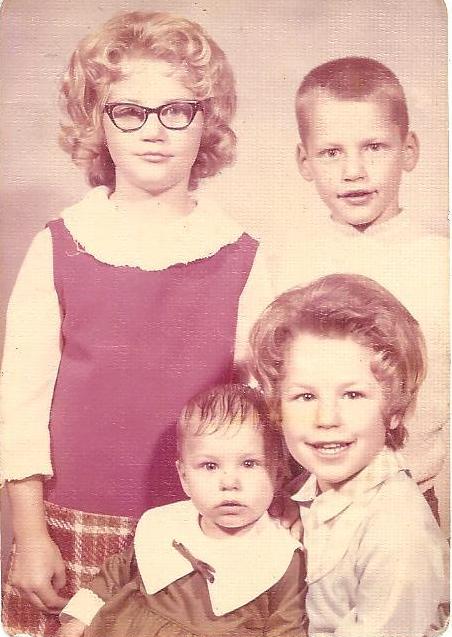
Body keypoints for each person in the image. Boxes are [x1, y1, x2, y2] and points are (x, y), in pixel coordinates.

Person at [0, 11, 272, 637]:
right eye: (129, 111)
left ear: (207, 121)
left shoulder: (242, 255)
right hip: (70, 526)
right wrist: (30, 533)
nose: (154, 130)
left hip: (203, 532)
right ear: (96, 121)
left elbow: (259, 412)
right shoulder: (60, 245)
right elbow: (20, 405)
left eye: (176, 110)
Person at [273, 56, 448, 524]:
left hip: (411, 501)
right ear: (304, 161)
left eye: (374, 147)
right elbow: (260, 381)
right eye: (332, 152)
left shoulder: (440, 262)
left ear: (409, 150)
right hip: (305, 503)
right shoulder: (284, 261)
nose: (354, 171)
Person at [250, 273, 449, 637]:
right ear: (278, 409)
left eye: (353, 395)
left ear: (393, 410)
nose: (327, 418)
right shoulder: (304, 492)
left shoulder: (397, 533)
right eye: (305, 396)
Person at [55, 384, 307, 637]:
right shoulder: (165, 524)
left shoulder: (281, 554)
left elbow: (287, 627)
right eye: (210, 466)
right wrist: (79, 619)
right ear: (184, 477)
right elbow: (115, 574)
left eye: (249, 463)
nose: (229, 482)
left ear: (277, 473)